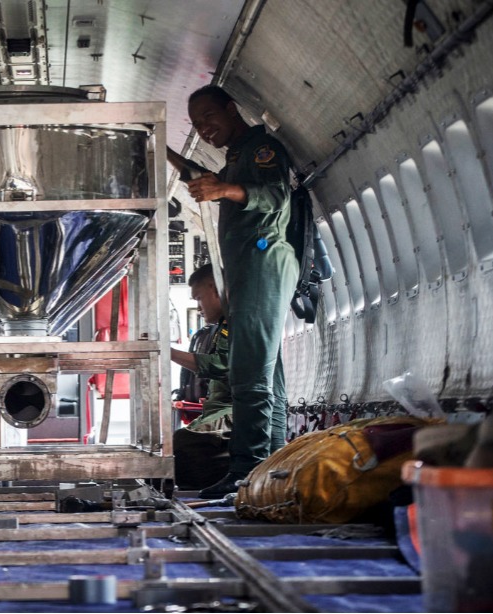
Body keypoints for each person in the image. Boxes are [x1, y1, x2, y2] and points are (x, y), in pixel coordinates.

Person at [184, 85, 299, 498]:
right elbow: (203, 179)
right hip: (251, 269)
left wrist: (224, 191)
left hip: (263, 262)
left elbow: (274, 194)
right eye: (197, 125)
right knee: (270, 373)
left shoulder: (261, 148)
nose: (204, 128)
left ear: (232, 109)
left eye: (209, 117)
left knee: (248, 372)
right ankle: (277, 467)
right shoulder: (235, 157)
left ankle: (246, 471)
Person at [170, 264, 232, 490]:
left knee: (182, 444)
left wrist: (168, 353)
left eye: (199, 298)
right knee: (177, 444)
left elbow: (223, 366)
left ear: (215, 290)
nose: (198, 307)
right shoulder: (222, 327)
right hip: (220, 410)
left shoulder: (235, 324)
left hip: (235, 413)